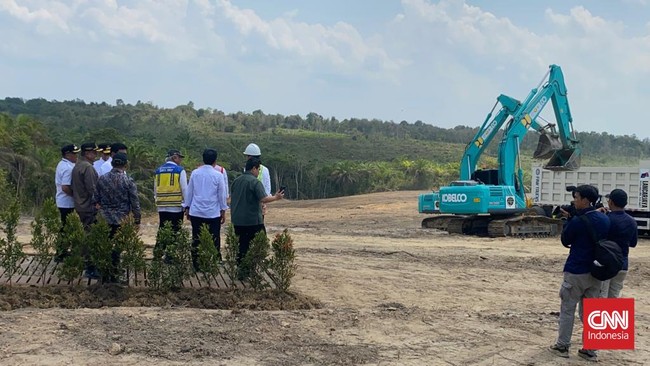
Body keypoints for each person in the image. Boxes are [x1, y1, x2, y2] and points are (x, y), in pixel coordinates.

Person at [550, 184, 609, 362]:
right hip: (597, 272)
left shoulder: (577, 221)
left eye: (576, 197)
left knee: (568, 310)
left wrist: (569, 220)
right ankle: (590, 350)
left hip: (576, 271)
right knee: (592, 313)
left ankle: (562, 346)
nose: (574, 201)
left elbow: (565, 239)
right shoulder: (605, 219)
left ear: (585, 200)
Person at [92, 152, 141, 283]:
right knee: (117, 248)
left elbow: (95, 199)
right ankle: (114, 275)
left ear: (112, 163)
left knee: (104, 246)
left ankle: (104, 275)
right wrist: (137, 220)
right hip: (121, 220)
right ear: (125, 164)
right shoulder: (128, 181)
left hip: (104, 218)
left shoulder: (102, 179)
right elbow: (135, 202)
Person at [230, 157, 284, 273]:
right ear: (254, 168)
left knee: (242, 246)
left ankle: (242, 270)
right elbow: (263, 198)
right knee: (259, 243)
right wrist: (276, 197)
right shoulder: (255, 182)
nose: (259, 172)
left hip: (237, 220)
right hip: (252, 221)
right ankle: (252, 269)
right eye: (258, 169)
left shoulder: (236, 181)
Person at [184, 148, 228, 271]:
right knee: (214, 238)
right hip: (212, 213)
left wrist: (187, 207)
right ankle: (214, 262)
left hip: (196, 211)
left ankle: (196, 265)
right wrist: (223, 210)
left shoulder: (195, 173)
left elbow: (190, 192)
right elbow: (221, 195)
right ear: (215, 161)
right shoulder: (218, 175)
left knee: (196, 238)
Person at [599, 189, 637, 298]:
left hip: (605, 263)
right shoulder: (631, 221)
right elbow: (633, 243)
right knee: (615, 297)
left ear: (610, 202)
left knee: (601, 296)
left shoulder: (606, 219)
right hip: (622, 263)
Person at [71, 142, 101, 279]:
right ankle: (90, 268)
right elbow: (92, 189)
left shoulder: (77, 166)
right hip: (89, 206)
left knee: (85, 234)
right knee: (91, 236)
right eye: (94, 152)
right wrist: (98, 203)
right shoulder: (88, 168)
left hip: (80, 205)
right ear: (87, 153)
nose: (96, 155)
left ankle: (84, 263)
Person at [154, 149, 188, 250]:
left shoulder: (158, 170)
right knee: (175, 231)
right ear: (174, 157)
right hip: (175, 206)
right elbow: (184, 189)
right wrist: (187, 205)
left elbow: (155, 188)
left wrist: (157, 200)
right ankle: (170, 255)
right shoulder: (179, 170)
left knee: (162, 229)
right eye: (179, 158)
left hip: (162, 206)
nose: (180, 160)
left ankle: (158, 252)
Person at [54, 144, 80, 261]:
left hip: (63, 201)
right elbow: (65, 187)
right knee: (66, 228)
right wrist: (76, 196)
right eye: (74, 154)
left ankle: (62, 251)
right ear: (68, 155)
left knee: (65, 227)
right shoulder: (68, 168)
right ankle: (60, 253)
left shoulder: (63, 164)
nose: (76, 156)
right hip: (67, 202)